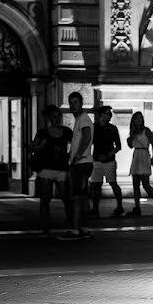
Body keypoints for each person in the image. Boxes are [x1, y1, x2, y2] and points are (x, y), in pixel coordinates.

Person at [30, 104, 73, 237]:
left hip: (61, 168)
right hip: (47, 169)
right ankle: (45, 227)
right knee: (45, 199)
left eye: (59, 116)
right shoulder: (43, 133)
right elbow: (32, 147)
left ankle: (73, 225)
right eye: (54, 117)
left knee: (66, 198)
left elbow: (75, 144)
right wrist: (39, 146)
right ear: (49, 118)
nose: (57, 119)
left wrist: (70, 156)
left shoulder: (66, 131)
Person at [62, 92, 93, 240]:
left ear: (81, 103)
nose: (72, 105)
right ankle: (83, 227)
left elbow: (87, 137)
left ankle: (76, 229)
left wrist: (78, 155)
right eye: (71, 102)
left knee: (77, 197)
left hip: (81, 164)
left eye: (75, 102)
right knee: (81, 197)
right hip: (80, 163)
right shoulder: (79, 120)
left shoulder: (83, 119)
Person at [89, 106, 125, 218]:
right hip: (97, 159)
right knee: (96, 185)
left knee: (113, 183)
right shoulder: (94, 127)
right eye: (107, 113)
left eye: (110, 114)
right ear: (101, 115)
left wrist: (109, 154)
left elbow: (118, 146)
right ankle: (95, 209)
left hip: (109, 160)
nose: (109, 116)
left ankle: (120, 206)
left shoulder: (112, 128)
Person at [126, 111, 153, 217]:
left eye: (140, 118)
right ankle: (137, 207)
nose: (138, 120)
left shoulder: (146, 130)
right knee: (135, 184)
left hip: (144, 155)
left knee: (146, 184)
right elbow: (130, 145)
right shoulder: (133, 132)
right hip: (136, 155)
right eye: (136, 118)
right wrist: (132, 134)